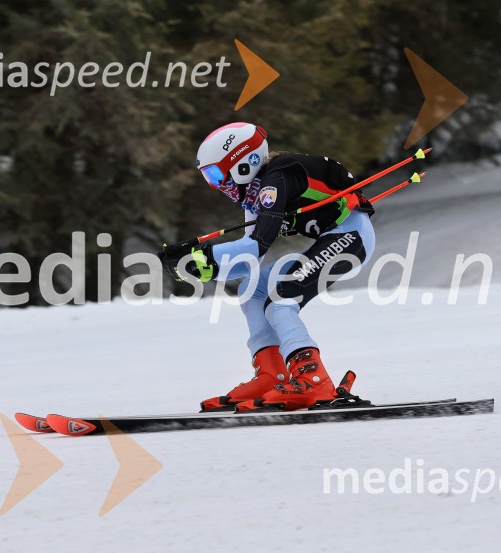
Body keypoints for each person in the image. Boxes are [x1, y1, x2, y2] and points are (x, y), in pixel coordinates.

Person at [161, 122, 376, 412]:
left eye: (215, 174)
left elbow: (258, 244)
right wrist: (199, 263)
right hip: (332, 238)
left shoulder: (278, 178)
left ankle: (313, 379)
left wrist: (204, 260)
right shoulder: (254, 193)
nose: (215, 184)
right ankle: (271, 375)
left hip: (352, 240)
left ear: (244, 162)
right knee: (253, 290)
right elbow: (249, 260)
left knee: (282, 300)